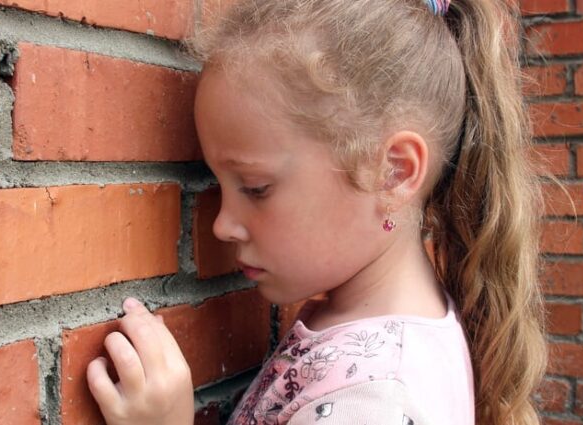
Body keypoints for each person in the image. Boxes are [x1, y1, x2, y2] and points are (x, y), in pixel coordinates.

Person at [85, 0, 548, 424]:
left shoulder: (374, 400)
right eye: (216, 185)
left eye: (255, 187)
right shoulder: (371, 326)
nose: (222, 225)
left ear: (393, 172)